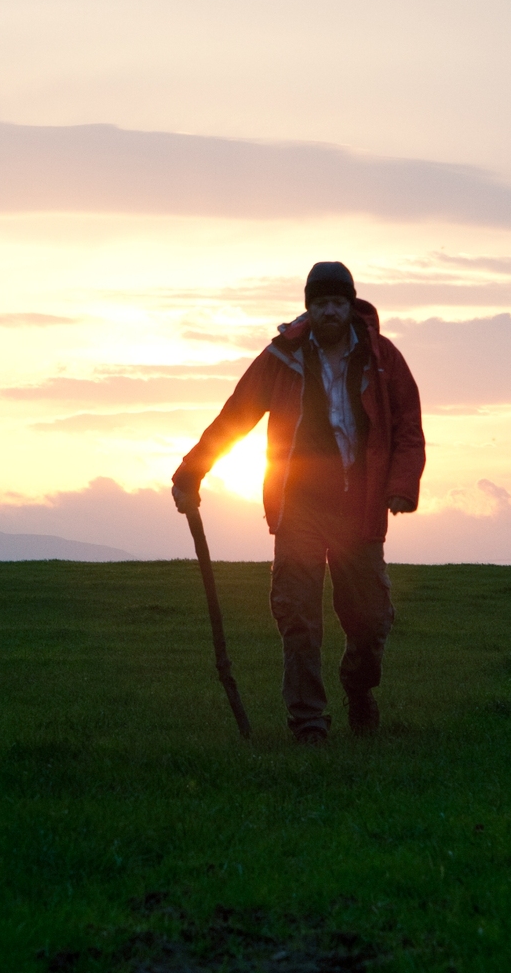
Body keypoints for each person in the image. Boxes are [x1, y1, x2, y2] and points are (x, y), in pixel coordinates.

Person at [172, 262, 425, 741]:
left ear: (351, 307)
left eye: (338, 303)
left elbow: (409, 428)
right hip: (299, 507)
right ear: (308, 307)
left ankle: (358, 690)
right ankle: (308, 723)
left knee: (370, 620)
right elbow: (235, 417)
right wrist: (192, 470)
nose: (330, 311)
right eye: (321, 303)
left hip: (359, 506)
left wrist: (401, 486)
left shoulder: (383, 357)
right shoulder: (282, 356)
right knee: (299, 616)